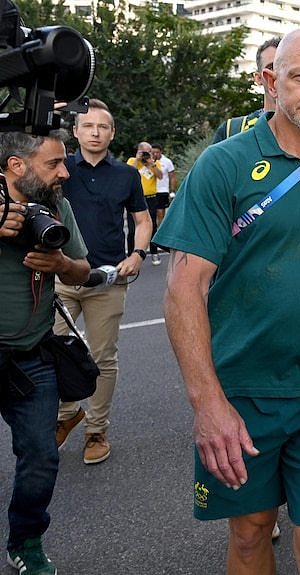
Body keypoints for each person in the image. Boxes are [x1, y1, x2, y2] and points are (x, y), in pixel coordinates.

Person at [156, 28, 300, 574]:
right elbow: (184, 288)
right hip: (242, 392)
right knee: (252, 535)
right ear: (270, 81)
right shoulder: (222, 165)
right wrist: (208, 404)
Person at [0, 129, 90, 575]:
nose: (64, 172)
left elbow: (82, 269)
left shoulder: (56, 205)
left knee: (41, 456)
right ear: (16, 165)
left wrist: (61, 265)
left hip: (31, 356)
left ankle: (26, 541)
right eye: (53, 163)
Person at [54, 98, 153, 465]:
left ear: (112, 133)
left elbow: (142, 221)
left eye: (103, 127)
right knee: (54, 352)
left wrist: (138, 255)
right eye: (88, 126)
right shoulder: (59, 168)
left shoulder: (126, 175)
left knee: (102, 358)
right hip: (60, 276)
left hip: (108, 279)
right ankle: (66, 416)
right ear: (75, 130)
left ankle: (96, 429)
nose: (95, 132)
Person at [211, 37, 279, 144]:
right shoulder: (233, 131)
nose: (278, 73)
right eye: (272, 67)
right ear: (258, 78)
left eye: (286, 66)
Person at [127, 141, 163, 265]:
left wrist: (151, 163)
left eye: (149, 152)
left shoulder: (154, 163)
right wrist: (138, 160)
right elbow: (128, 172)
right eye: (144, 152)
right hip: (133, 198)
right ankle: (131, 255)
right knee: (132, 229)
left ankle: (154, 252)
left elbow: (160, 176)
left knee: (152, 226)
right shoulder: (132, 161)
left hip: (151, 198)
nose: (147, 155)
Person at [150, 143, 175, 226]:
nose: (155, 154)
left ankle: (160, 230)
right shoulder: (147, 161)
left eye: (157, 152)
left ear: (161, 152)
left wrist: (172, 191)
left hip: (162, 190)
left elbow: (172, 177)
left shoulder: (167, 162)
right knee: (152, 213)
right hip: (151, 190)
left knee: (160, 212)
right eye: (153, 152)